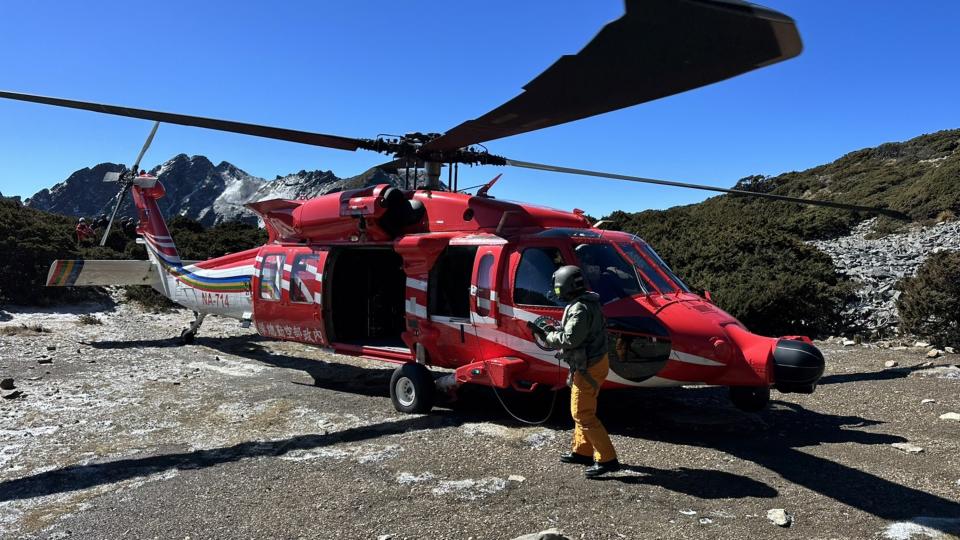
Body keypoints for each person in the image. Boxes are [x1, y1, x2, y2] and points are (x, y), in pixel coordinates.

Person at [528, 265, 620, 478]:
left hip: (588, 367)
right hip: (593, 363)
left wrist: (548, 335)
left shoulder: (579, 308)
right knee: (583, 408)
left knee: (582, 413)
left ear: (564, 287)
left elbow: (570, 339)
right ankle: (582, 451)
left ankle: (607, 459)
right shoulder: (588, 302)